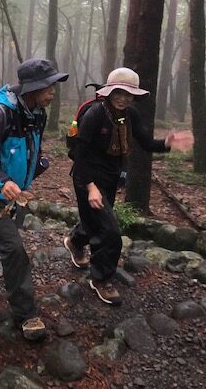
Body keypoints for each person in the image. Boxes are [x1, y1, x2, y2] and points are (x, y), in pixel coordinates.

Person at [63, 67, 193, 306]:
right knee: (111, 231)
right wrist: (90, 186)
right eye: (119, 92)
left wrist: (167, 143)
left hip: (111, 178)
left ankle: (75, 241)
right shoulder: (94, 114)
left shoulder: (130, 115)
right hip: (87, 177)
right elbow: (77, 154)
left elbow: (146, 143)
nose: (123, 98)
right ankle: (101, 279)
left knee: (98, 220)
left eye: (128, 94)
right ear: (110, 92)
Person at [0, 59, 68, 341]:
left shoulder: (36, 113)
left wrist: (38, 162)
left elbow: (34, 145)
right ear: (32, 88)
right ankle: (26, 314)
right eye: (48, 87)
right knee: (14, 248)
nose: (52, 92)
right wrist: (2, 180)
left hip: (16, 193)